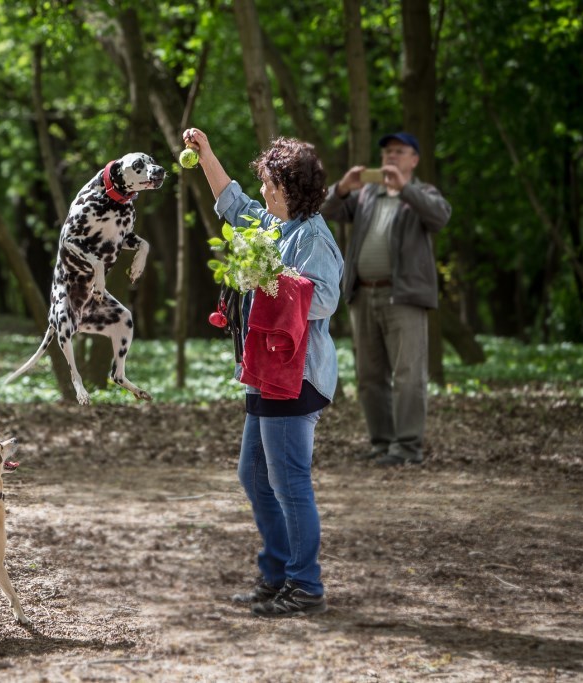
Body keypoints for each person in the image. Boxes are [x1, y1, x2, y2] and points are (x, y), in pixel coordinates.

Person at [182, 128, 343, 617]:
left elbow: (328, 297)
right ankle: (276, 572)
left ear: (291, 189)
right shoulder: (270, 224)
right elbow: (232, 202)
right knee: (254, 476)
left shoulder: (312, 235)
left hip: (296, 376)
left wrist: (270, 280)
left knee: (289, 481)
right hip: (265, 372)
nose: (263, 192)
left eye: (270, 184)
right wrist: (206, 154)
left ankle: (304, 584)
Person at [320, 132, 452, 466]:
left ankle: (407, 447)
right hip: (363, 293)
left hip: (403, 297)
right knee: (369, 374)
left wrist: (404, 189)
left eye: (399, 152)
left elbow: (440, 217)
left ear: (414, 159)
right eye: (387, 152)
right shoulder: (367, 195)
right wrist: (343, 187)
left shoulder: (422, 193)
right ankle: (382, 443)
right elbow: (324, 210)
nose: (390, 157)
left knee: (408, 374)